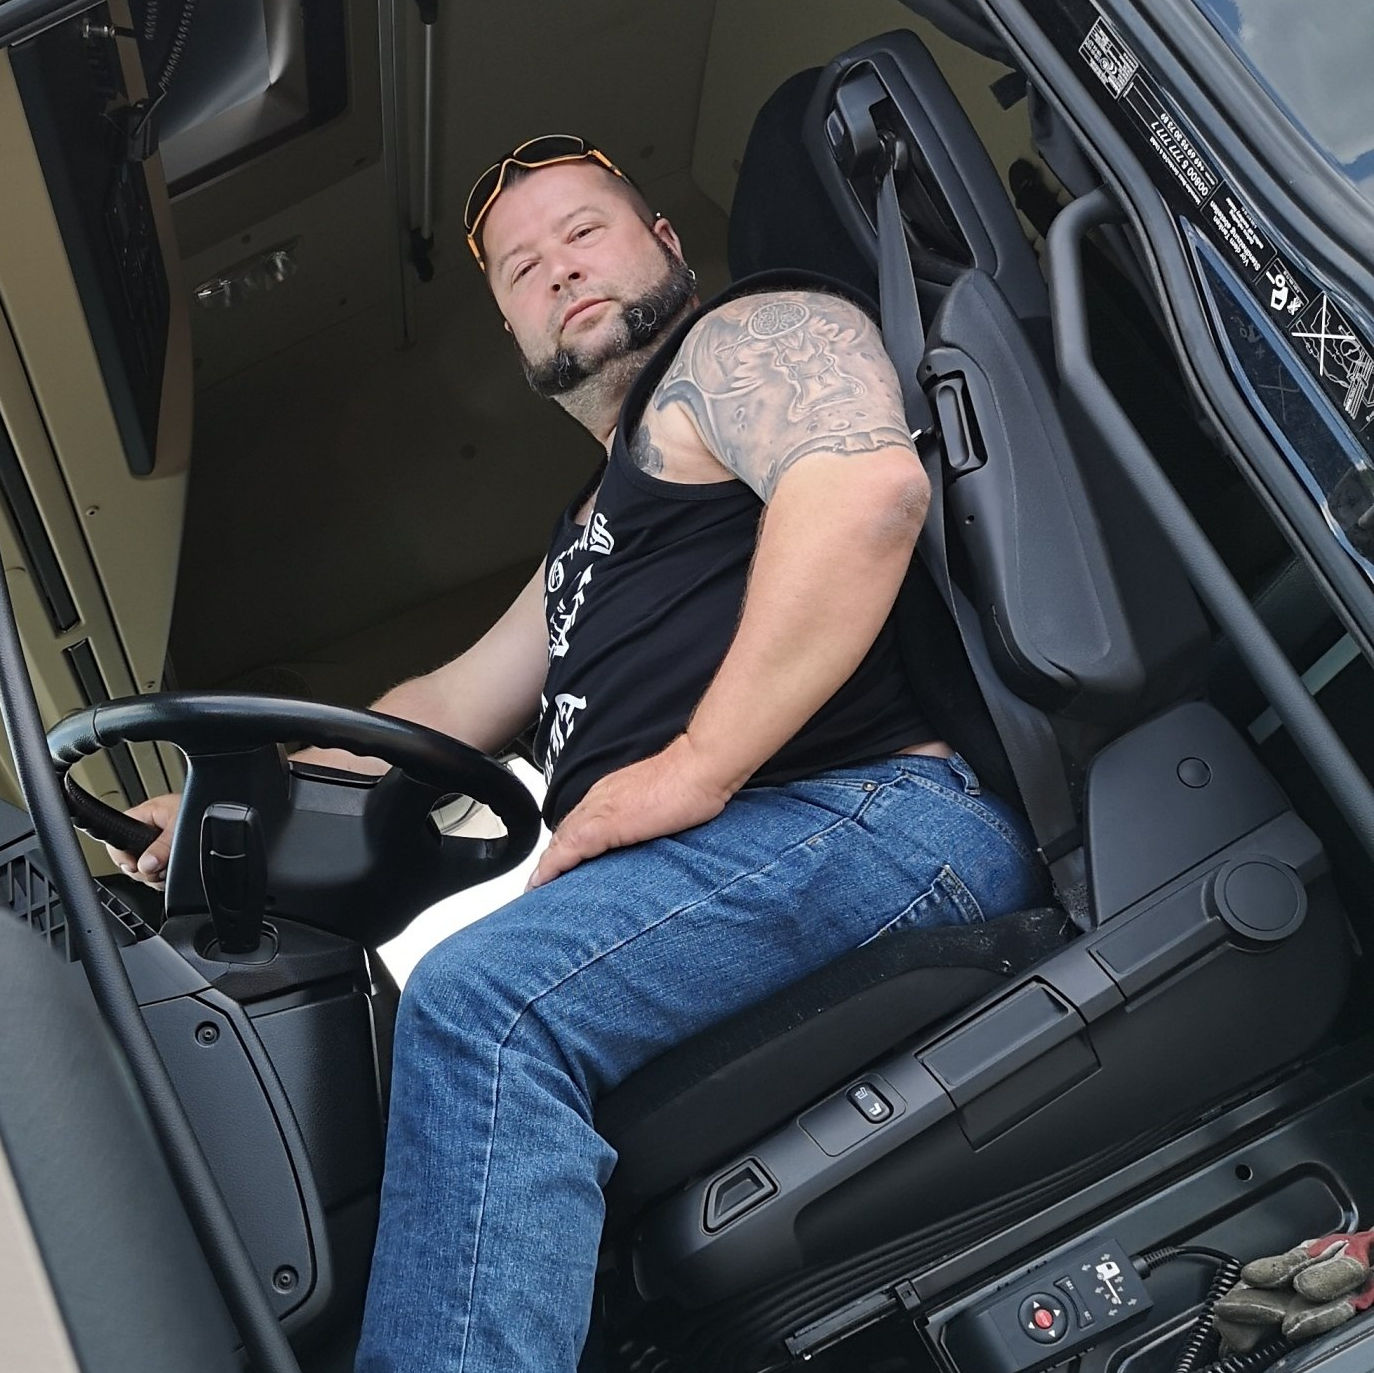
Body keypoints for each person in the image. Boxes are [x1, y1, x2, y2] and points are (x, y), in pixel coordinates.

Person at [108, 136, 1048, 1373]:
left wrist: (696, 763)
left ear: (665, 240)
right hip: (777, 844)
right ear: (513, 330)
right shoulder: (588, 537)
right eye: (520, 269)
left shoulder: (745, 342)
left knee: (484, 1004)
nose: (556, 269)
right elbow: (445, 703)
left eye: (583, 231)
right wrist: (233, 791)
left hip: (874, 817)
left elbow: (862, 494)